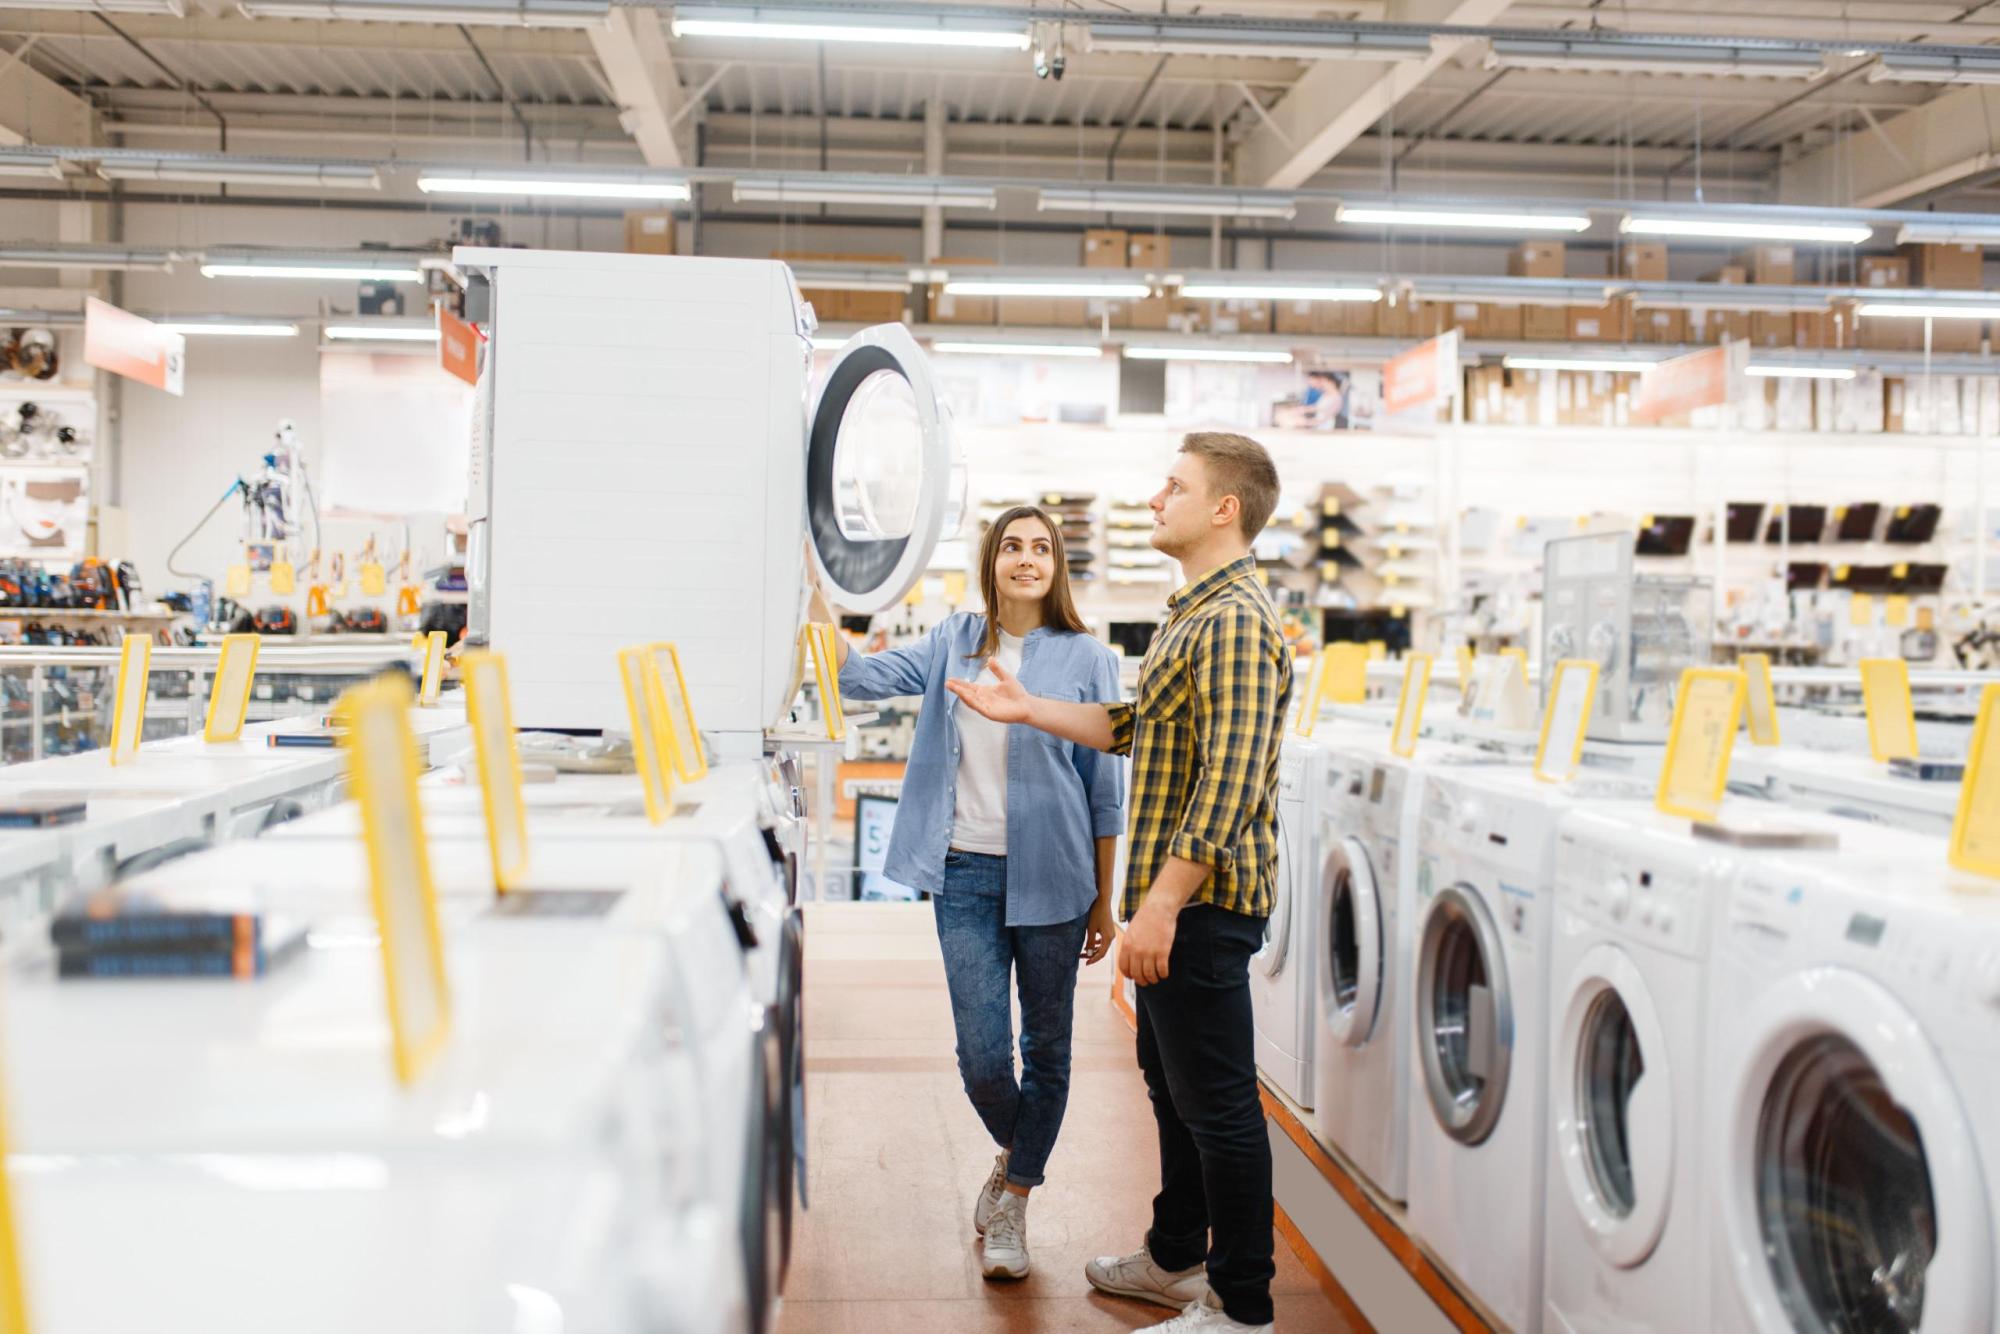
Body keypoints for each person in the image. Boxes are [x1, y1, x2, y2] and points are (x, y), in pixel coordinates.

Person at [949, 433, 1291, 1334]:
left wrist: (1162, 905)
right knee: (1173, 1089)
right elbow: (1136, 725)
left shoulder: (1235, 621)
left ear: (1224, 508)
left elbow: (1230, 783)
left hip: (1201, 905)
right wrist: (1029, 708)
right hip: (1175, 901)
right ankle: (1174, 1259)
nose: (1154, 499)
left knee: (1218, 1107)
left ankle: (1242, 1306)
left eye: (1174, 486)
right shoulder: (1194, 611)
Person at [815, 505, 1124, 1282]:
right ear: (991, 562)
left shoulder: (1088, 656)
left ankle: (1014, 1199)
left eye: (1041, 547)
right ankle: (1018, 1156)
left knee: (1047, 1048)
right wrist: (810, 589)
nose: (1027, 558)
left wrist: (1105, 898)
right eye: (1012, 546)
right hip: (964, 874)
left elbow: (1105, 788)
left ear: (1056, 566)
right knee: (983, 1055)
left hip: (1057, 877)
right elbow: (856, 678)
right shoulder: (953, 640)